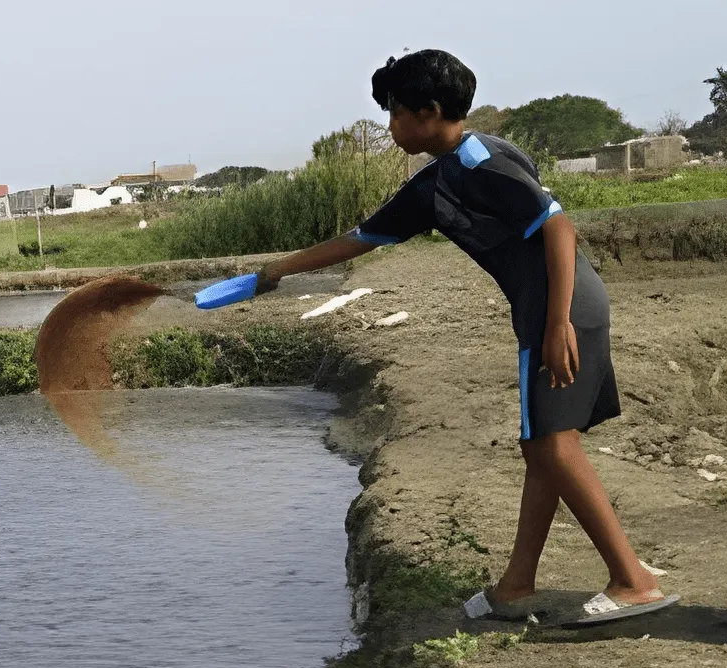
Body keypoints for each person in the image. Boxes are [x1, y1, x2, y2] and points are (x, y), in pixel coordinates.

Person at [251, 49, 678, 626]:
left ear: (429, 111)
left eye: (395, 112)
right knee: (542, 445)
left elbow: (557, 225)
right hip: (549, 306)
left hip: (561, 305)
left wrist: (556, 324)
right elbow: (363, 237)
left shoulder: (479, 160)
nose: (390, 125)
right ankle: (515, 586)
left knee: (552, 444)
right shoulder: (436, 183)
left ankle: (633, 580)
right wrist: (278, 269)